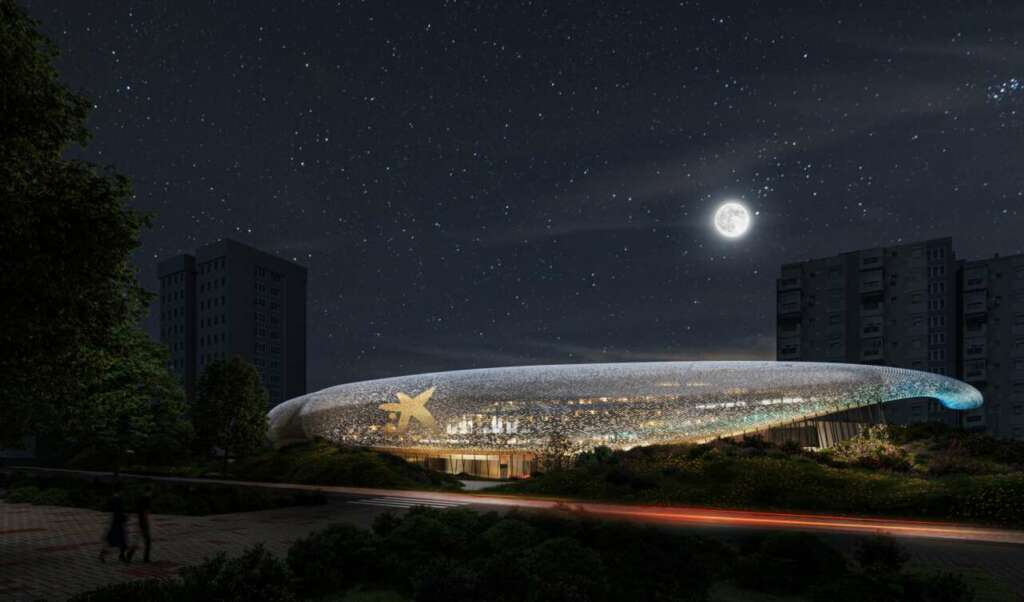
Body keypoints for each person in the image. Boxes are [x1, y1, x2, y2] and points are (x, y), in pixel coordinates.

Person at [99, 482, 132, 563]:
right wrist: (124, 518)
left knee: (116, 539)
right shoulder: (118, 499)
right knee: (118, 539)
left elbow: (113, 510)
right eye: (122, 490)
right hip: (117, 522)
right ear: (120, 490)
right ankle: (118, 555)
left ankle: (119, 555)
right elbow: (118, 511)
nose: (123, 492)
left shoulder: (114, 498)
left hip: (115, 521)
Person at [137, 483, 153, 562]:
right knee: (148, 541)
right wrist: (146, 522)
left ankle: (129, 555)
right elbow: (145, 512)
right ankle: (146, 558)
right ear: (149, 491)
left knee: (138, 539)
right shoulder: (147, 499)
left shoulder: (141, 498)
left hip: (140, 521)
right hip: (143, 522)